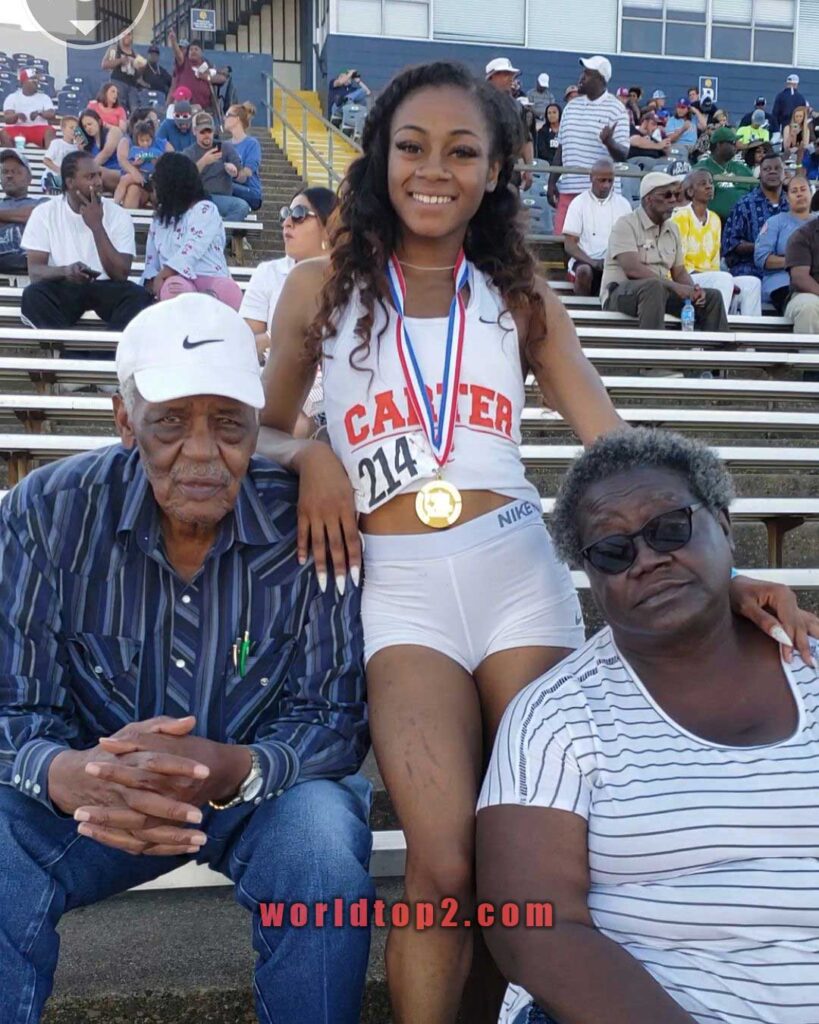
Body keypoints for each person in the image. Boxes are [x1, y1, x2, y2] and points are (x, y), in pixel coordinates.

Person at [0, 292, 373, 1024]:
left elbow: (333, 715)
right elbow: (14, 703)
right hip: (96, 802)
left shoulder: (310, 521)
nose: (202, 454)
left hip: (257, 793)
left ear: (254, 428)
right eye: (168, 422)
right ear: (123, 421)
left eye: (229, 425)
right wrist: (68, 773)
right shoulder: (46, 510)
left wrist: (235, 768)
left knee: (322, 846)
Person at [477, 427, 819, 1024]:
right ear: (591, 574)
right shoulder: (555, 714)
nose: (648, 560)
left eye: (670, 529)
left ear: (722, 522)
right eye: (613, 551)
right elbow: (533, 923)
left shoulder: (810, 666)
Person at [20, 151, 153, 330]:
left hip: (107, 286)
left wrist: (96, 225)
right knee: (33, 295)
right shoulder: (44, 213)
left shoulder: (118, 215)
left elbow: (121, 274)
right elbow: (35, 272)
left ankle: (106, 354)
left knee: (139, 297)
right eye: (90, 177)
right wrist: (66, 271)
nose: (98, 181)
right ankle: (67, 354)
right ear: (70, 182)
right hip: (64, 284)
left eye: (99, 175)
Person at [601, 171, 728, 333]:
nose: (674, 200)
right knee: (654, 287)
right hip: (621, 294)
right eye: (667, 195)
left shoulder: (672, 228)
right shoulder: (626, 224)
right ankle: (654, 352)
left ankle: (716, 354)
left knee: (712, 297)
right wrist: (675, 287)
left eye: (676, 194)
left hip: (660, 294)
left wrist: (693, 290)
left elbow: (679, 271)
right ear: (649, 199)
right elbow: (632, 269)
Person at [241, 186, 338, 361]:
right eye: (286, 214)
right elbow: (247, 344)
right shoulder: (268, 273)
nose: (287, 222)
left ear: (328, 226)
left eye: (299, 214)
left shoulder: (352, 279)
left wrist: (273, 339)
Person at [140, 152, 243, 311]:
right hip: (175, 281)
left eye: (157, 181)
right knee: (174, 288)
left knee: (229, 291)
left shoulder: (205, 209)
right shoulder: (159, 220)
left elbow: (192, 248)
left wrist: (164, 274)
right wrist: (152, 281)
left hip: (210, 278)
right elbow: (151, 260)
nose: (154, 187)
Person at [547, 56, 629, 233]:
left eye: (587, 74)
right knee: (564, 246)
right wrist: (552, 181)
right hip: (568, 190)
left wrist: (609, 142)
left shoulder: (616, 108)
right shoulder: (570, 107)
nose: (581, 77)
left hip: (600, 195)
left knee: (596, 250)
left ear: (601, 79)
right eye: (583, 72)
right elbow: (561, 148)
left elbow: (623, 154)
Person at [672, 168, 761, 317]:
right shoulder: (681, 217)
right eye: (703, 184)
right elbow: (680, 266)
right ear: (690, 192)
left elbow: (714, 263)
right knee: (723, 279)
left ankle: (750, 336)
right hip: (686, 278)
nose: (709, 186)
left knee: (752, 283)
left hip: (712, 277)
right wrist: (719, 279)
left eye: (711, 183)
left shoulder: (715, 219)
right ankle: (718, 327)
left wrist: (719, 278)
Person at [562, 159, 631, 297]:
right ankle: (582, 314)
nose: (606, 185)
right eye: (602, 180)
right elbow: (569, 244)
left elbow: (629, 241)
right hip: (586, 260)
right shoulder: (578, 203)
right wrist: (593, 262)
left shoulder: (623, 204)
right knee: (584, 272)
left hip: (614, 261)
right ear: (591, 178)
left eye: (610, 181)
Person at [755, 174, 817, 314]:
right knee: (808, 308)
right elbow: (761, 258)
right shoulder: (775, 222)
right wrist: (799, 262)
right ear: (787, 198)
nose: (799, 194)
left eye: (803, 189)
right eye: (794, 191)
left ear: (811, 192)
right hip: (782, 283)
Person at [722, 152, 789, 280]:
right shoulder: (744, 204)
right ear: (759, 174)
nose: (772, 172)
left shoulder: (792, 204)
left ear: (784, 173)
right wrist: (761, 247)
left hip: (787, 269)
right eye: (767, 169)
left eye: (777, 168)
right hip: (751, 269)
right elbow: (731, 243)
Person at [183, 111, 250, 222]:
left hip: (223, 199)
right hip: (199, 199)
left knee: (242, 206)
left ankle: (219, 234)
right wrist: (204, 162)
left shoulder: (226, 147)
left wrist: (235, 173)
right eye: (202, 131)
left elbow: (243, 177)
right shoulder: (189, 153)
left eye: (209, 131)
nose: (206, 135)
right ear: (195, 131)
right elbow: (184, 180)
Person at [485, 58, 535, 191]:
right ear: (492, 76)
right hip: (483, 169)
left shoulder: (518, 107)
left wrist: (528, 169)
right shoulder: (477, 103)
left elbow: (526, 139)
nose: (511, 78)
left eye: (512, 75)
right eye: (505, 74)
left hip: (510, 172)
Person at [0, 149, 47, 275]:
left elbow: (37, 215)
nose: (9, 175)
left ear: (29, 179)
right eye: (5, 172)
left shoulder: (42, 203)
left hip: (30, 260)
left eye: (16, 172)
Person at [697, 126, 754, 222]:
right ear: (719, 145)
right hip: (711, 223)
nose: (736, 146)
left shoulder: (743, 169)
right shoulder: (701, 169)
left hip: (743, 222)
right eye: (732, 143)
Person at [168, 30, 226, 115]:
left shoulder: (207, 65)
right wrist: (173, 41)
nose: (193, 51)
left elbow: (222, 79)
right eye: (191, 50)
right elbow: (178, 55)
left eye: (196, 49)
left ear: (201, 52)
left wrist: (206, 77)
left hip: (204, 111)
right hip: (183, 108)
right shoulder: (184, 63)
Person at [0, 69, 57, 149]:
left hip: (38, 129)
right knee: (4, 133)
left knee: (50, 131)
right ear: (23, 82)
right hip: (20, 129)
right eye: (32, 79)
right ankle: (12, 157)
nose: (36, 82)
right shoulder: (12, 97)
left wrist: (39, 113)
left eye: (36, 79)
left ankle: (48, 158)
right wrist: (17, 115)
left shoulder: (44, 97)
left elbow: (51, 115)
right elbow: (7, 120)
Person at [114, 119, 164, 209]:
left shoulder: (156, 151)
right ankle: (115, 203)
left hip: (152, 177)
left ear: (152, 139)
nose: (145, 143)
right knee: (124, 179)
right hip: (139, 174)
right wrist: (136, 163)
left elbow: (163, 164)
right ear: (137, 140)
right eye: (142, 140)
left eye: (147, 140)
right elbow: (129, 163)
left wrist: (156, 162)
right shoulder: (134, 150)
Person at [224, 101, 263, 211]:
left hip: (250, 192)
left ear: (237, 119)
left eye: (228, 115)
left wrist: (234, 173)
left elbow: (248, 172)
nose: (224, 118)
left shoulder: (252, 144)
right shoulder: (226, 144)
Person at [784, 211, 819, 333]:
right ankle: (809, 352)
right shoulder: (803, 235)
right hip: (808, 294)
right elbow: (800, 278)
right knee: (808, 307)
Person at [77, 108, 123, 194]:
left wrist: (86, 170)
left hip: (118, 172)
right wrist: (81, 150)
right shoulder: (90, 143)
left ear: (99, 121)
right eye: (85, 126)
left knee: (98, 172)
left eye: (90, 124)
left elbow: (106, 153)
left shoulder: (113, 131)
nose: (88, 128)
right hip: (98, 175)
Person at [100, 30, 143, 113]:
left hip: (132, 85)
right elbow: (105, 64)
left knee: (135, 110)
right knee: (119, 108)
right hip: (118, 82)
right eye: (124, 35)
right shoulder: (114, 49)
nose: (127, 37)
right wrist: (121, 61)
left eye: (129, 35)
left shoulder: (135, 53)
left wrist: (140, 67)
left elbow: (140, 73)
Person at [41, 115, 80, 192]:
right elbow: (46, 160)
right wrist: (60, 171)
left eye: (76, 129)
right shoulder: (56, 143)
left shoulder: (77, 147)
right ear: (63, 129)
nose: (74, 131)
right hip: (53, 177)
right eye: (71, 128)